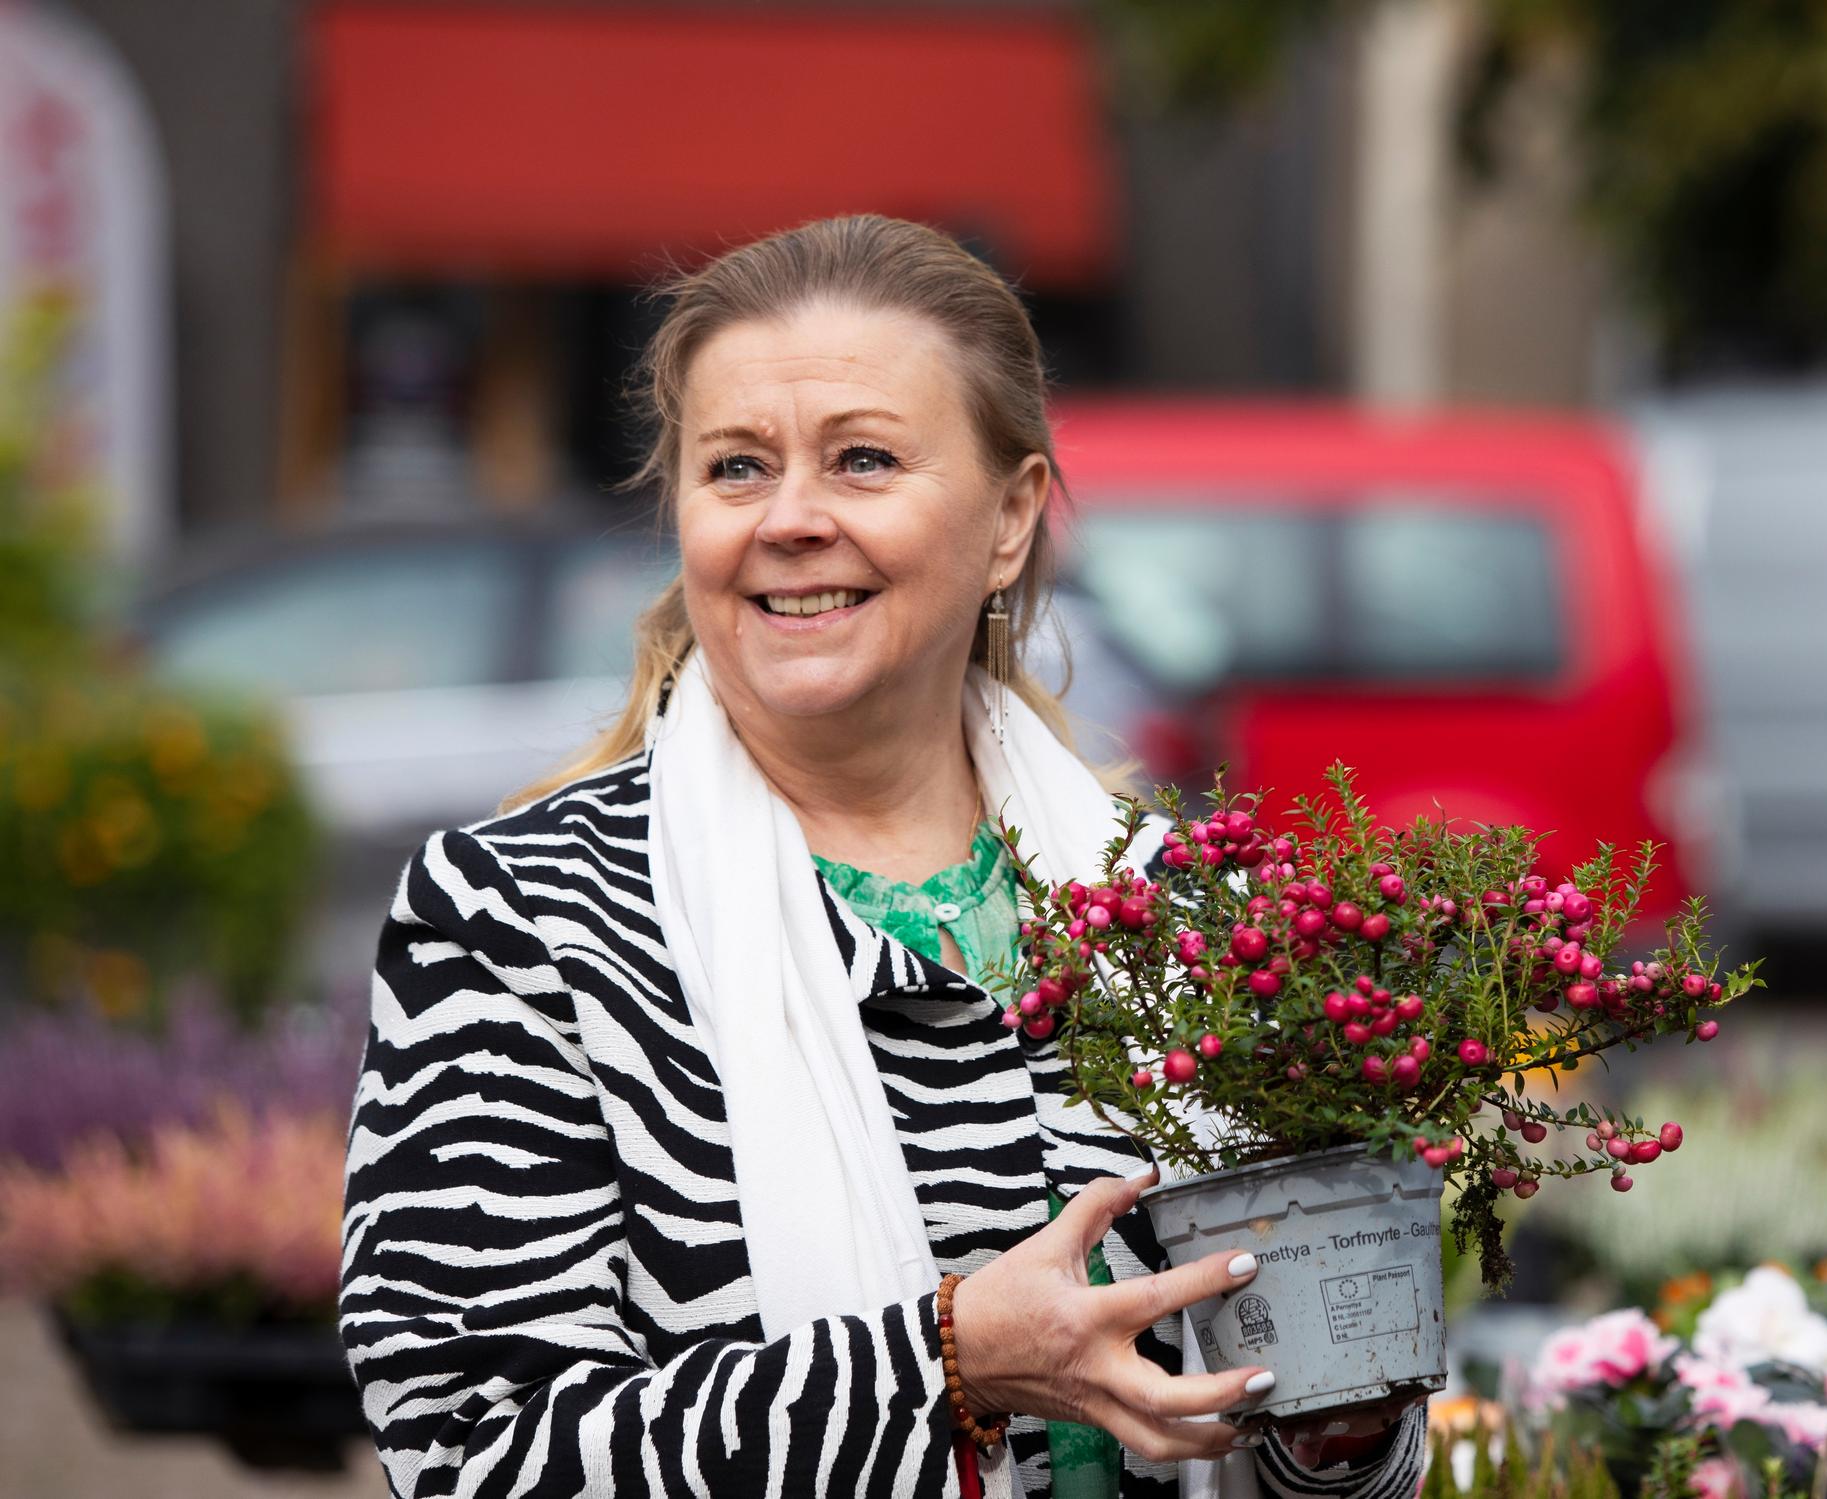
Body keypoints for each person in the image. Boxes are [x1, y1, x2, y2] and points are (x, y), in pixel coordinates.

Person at [338, 215, 1428, 1499]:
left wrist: (1335, 1429)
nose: (790, 518)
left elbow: (1313, 1436)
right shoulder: (523, 917)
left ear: (1011, 518)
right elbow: (475, 1453)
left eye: (861, 460)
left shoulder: (1183, 912)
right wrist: (948, 1362)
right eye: (736, 468)